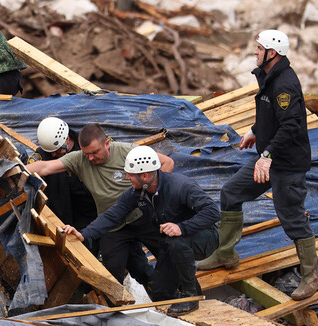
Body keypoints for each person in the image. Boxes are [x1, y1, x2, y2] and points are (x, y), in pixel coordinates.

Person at [198, 30, 318, 300]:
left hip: (287, 164)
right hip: (270, 157)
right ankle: (225, 253)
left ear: (272, 53)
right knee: (231, 193)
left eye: (258, 48)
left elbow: (291, 125)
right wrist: (255, 131)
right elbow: (272, 116)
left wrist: (266, 155)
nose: (254, 52)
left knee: (291, 218)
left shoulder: (285, 85)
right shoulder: (269, 76)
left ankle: (311, 278)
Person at [63, 146, 219, 317]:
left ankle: (191, 296)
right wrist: (84, 233)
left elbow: (213, 212)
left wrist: (182, 227)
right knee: (160, 294)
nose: (127, 177)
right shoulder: (139, 192)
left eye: (130, 174)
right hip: (174, 242)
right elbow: (113, 215)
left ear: (145, 176)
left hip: (205, 238)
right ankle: (190, 295)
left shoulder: (180, 186)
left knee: (176, 242)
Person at [27, 123, 174, 287]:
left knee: (169, 254)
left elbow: (167, 162)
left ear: (106, 144)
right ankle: (115, 308)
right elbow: (45, 166)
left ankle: (184, 293)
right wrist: (16, 169)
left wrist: (148, 193)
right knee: (112, 275)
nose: (90, 158)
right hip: (112, 225)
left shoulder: (127, 151)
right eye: (86, 153)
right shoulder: (79, 159)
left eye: (95, 152)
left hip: (142, 216)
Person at [29, 117, 96, 231]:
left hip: (89, 208)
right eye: (51, 152)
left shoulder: (87, 146)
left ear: (67, 139)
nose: (54, 155)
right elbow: (33, 164)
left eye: (57, 150)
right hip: (63, 211)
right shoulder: (45, 153)